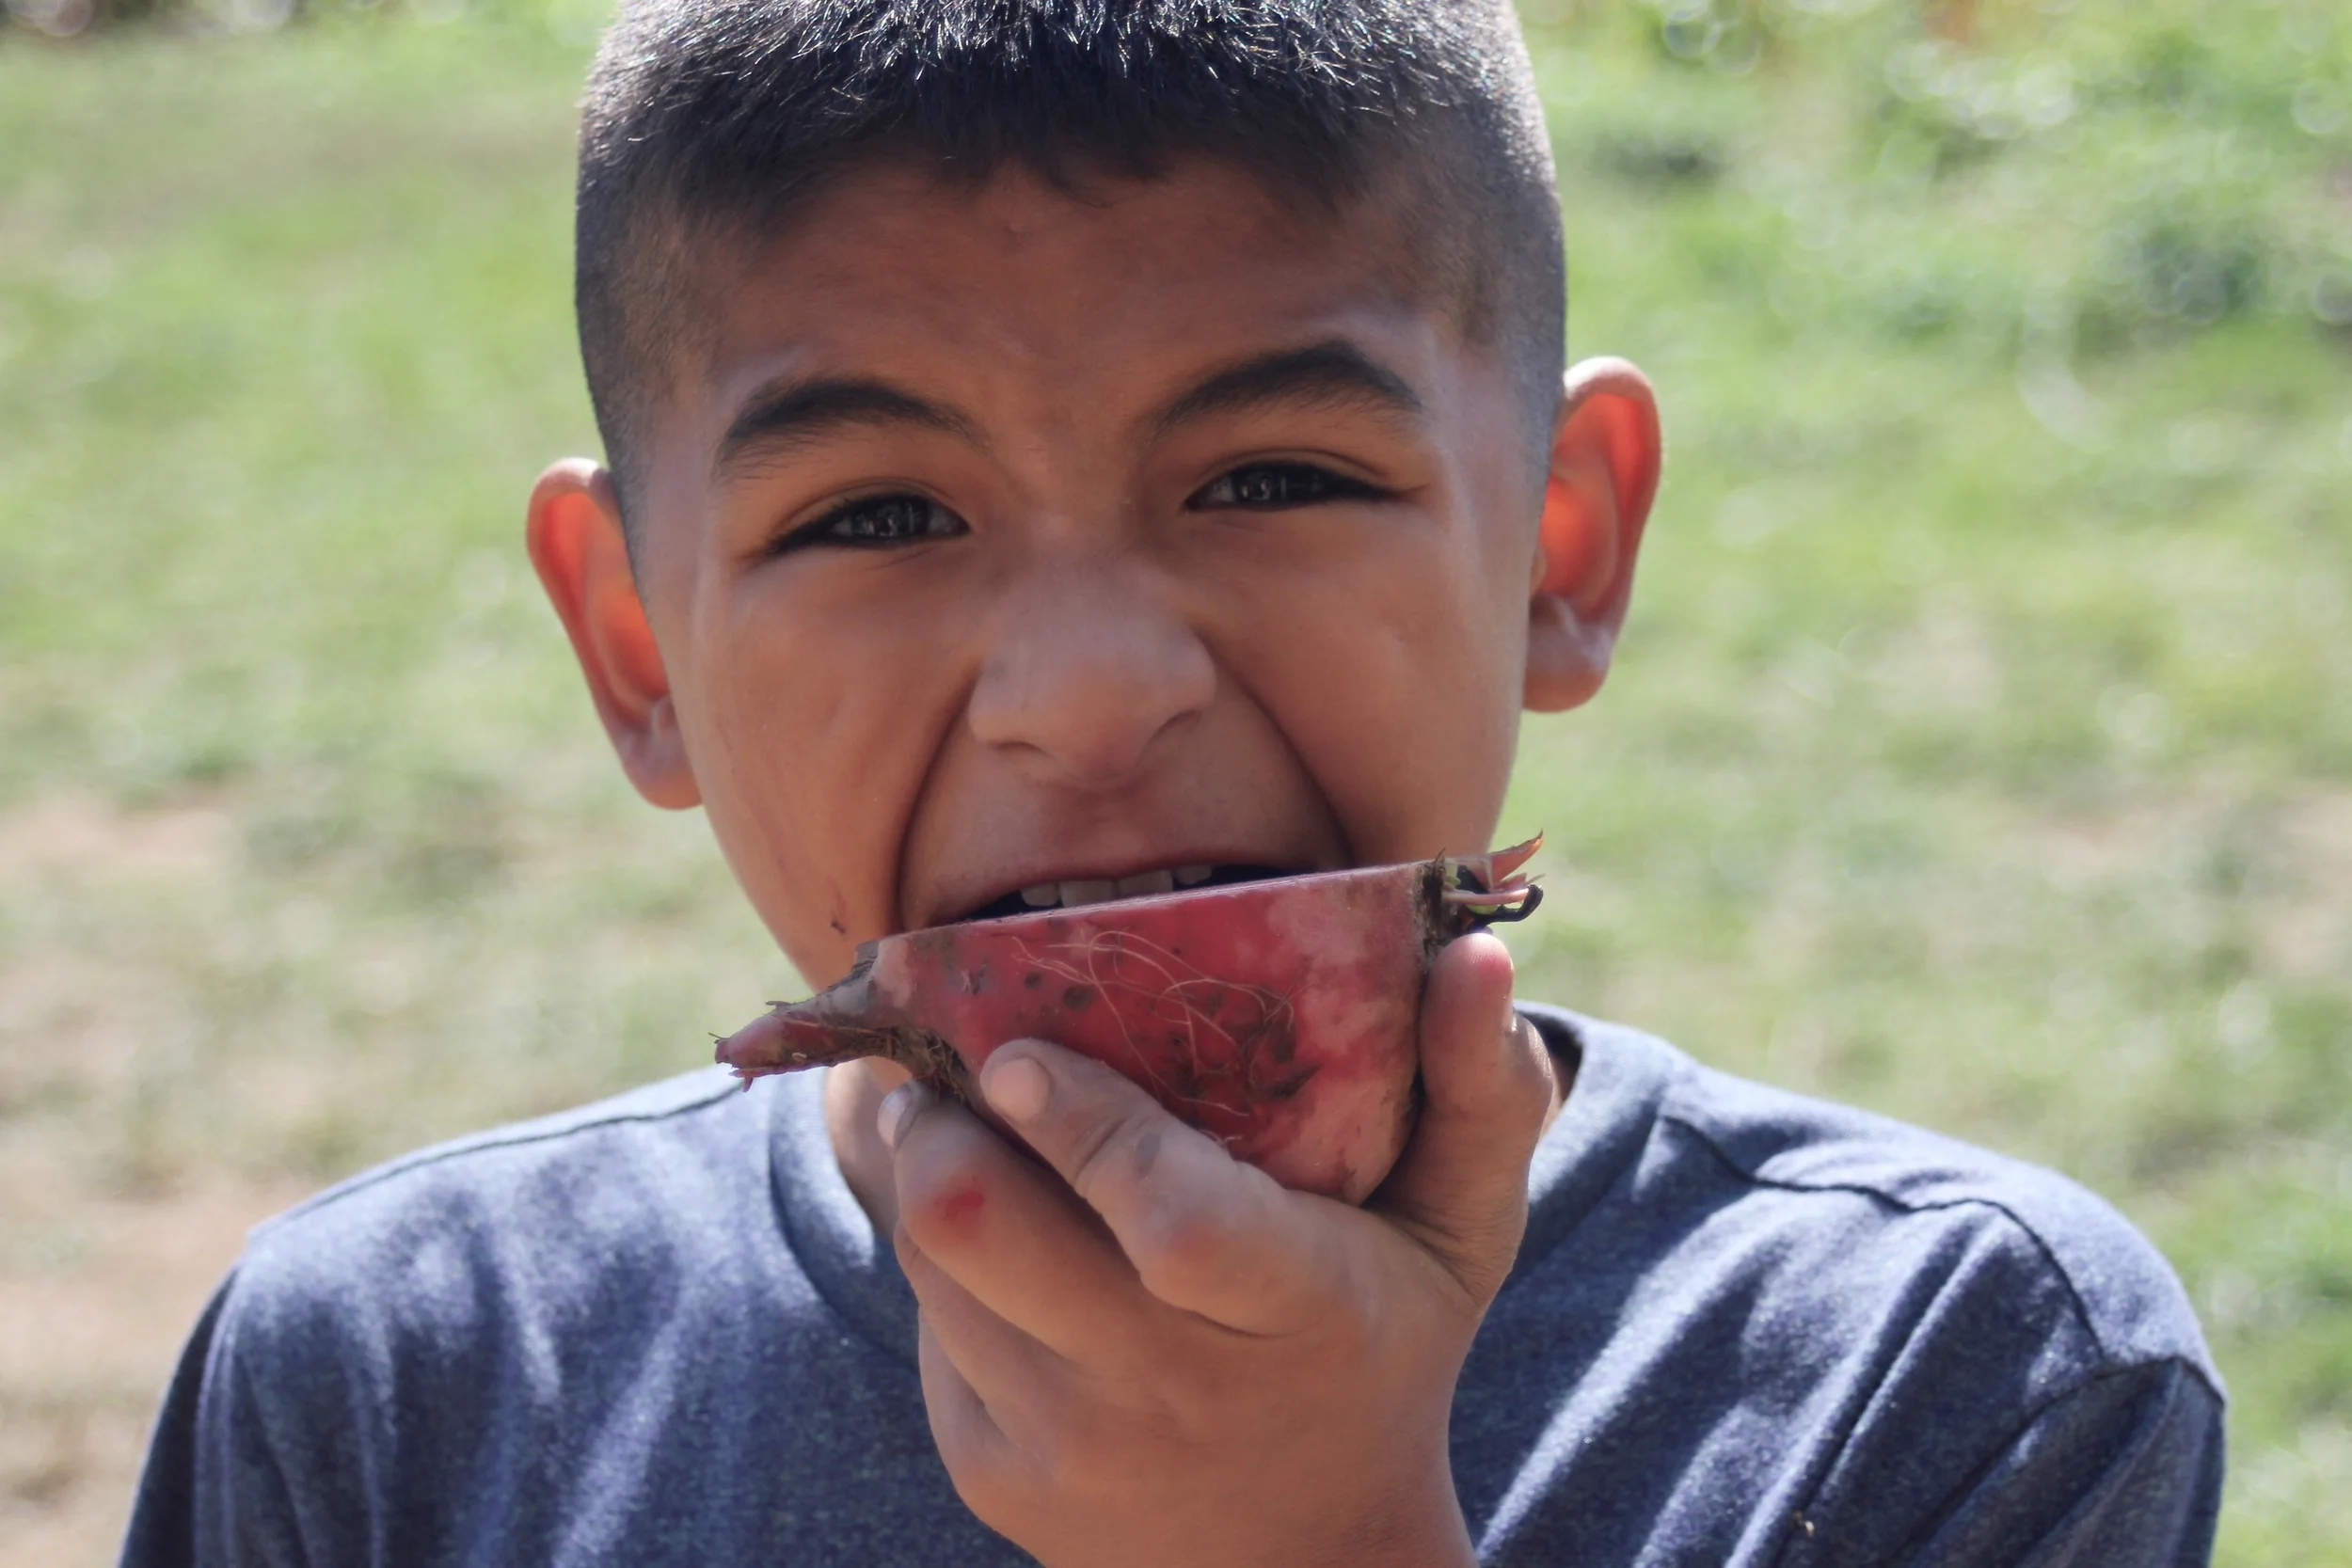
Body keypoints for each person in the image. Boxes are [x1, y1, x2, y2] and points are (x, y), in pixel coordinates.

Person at [119, 3, 2224, 1563]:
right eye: (870, 515)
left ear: (1559, 548)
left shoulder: (1946, 1372)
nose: (1091, 693)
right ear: (636, 648)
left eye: (1276, 476)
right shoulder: (398, 1387)